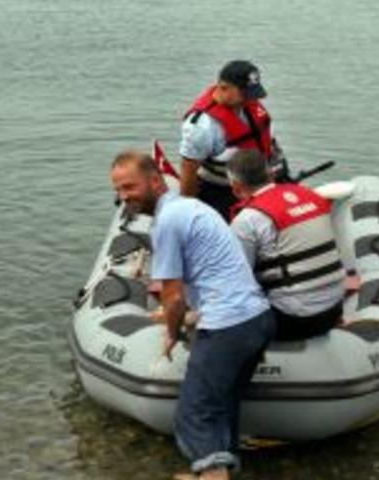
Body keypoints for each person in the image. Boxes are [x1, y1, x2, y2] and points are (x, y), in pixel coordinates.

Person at [110, 150, 276, 480]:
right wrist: (186, 315)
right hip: (258, 318)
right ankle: (220, 468)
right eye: (118, 190)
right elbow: (199, 281)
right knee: (223, 401)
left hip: (228, 326)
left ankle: (212, 475)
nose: (123, 197)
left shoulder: (168, 222)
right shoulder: (193, 207)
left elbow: (172, 295)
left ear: (156, 180)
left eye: (130, 187)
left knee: (194, 413)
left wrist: (172, 331)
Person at [227, 149, 346, 341]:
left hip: (293, 319)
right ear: (271, 174)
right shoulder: (311, 196)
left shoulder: (246, 221)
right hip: (334, 308)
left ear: (236, 187)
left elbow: (235, 282)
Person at [179, 60, 286, 221]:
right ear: (223, 87)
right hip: (223, 192)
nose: (250, 99)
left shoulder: (248, 105)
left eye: (252, 93)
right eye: (245, 94)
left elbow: (268, 143)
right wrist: (188, 212)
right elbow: (189, 172)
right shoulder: (202, 127)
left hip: (266, 180)